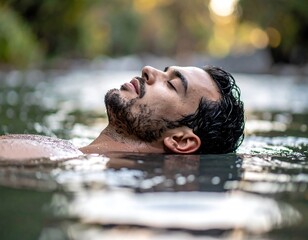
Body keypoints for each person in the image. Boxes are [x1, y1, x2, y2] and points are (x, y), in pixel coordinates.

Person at [0, 65, 244, 160]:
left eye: (171, 84)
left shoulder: (61, 161)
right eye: (165, 71)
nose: (149, 70)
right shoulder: (65, 153)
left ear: (181, 141)